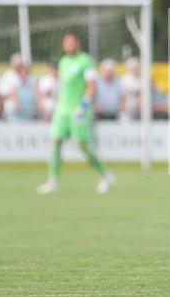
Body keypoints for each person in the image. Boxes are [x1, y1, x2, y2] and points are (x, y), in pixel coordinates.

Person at [36, 33, 115, 194]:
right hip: (62, 109)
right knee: (56, 141)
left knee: (82, 145)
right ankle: (53, 181)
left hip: (78, 109)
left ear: (78, 44)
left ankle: (105, 175)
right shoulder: (63, 62)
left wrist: (84, 105)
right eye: (66, 43)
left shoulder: (85, 61)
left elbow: (92, 85)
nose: (69, 45)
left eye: (72, 42)